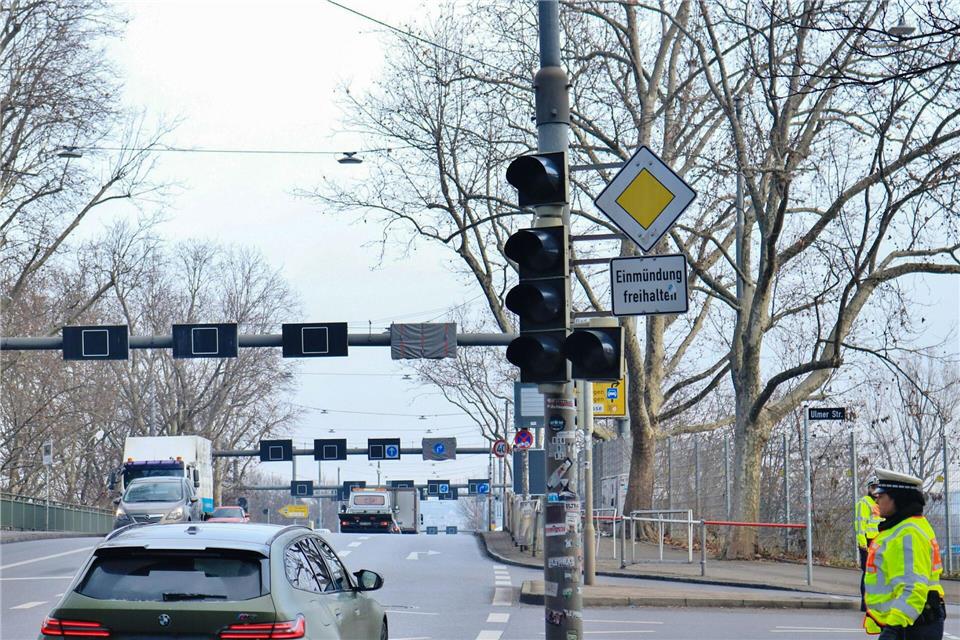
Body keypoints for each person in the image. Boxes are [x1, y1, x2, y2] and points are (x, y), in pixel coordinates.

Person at [863, 468, 946, 639]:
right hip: (911, 621)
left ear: (896, 498)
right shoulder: (903, 527)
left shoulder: (908, 533)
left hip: (911, 624)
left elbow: (913, 587)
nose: (876, 500)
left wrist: (893, 628)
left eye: (881, 496)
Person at [857, 475, 883, 611]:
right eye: (873, 487)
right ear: (868, 488)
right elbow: (860, 523)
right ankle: (865, 603)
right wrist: (862, 543)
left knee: (879, 572)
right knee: (868, 572)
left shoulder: (880, 503)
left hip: (879, 541)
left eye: (877, 487)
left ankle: (875, 601)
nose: (875, 490)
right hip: (867, 541)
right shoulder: (865, 502)